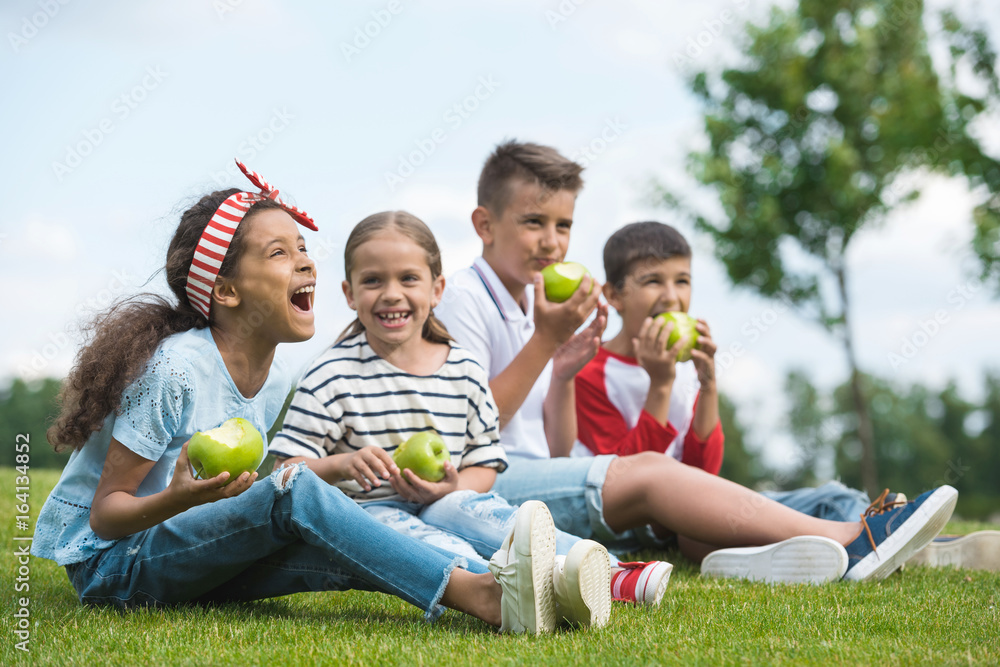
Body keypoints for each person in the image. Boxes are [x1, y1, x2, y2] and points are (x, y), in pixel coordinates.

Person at [31, 161, 564, 634]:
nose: (306, 262)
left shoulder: (278, 373)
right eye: (280, 253)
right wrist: (180, 498)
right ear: (226, 290)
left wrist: (329, 471)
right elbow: (105, 516)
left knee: (341, 535)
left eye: (304, 248)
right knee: (296, 491)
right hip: (114, 567)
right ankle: (482, 597)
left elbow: (241, 500)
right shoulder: (174, 370)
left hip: (183, 551)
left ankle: (529, 587)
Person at [434, 139, 959, 583]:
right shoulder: (465, 298)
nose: (552, 242)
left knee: (798, 493)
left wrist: (562, 370)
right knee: (655, 474)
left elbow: (555, 447)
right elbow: (469, 430)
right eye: (533, 222)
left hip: (535, 471)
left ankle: (876, 535)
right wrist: (547, 346)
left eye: (563, 225)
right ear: (485, 224)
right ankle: (854, 538)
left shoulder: (535, 302)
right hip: (485, 483)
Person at [268, 210, 613, 629]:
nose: (391, 294)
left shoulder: (464, 371)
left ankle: (612, 574)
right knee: (415, 537)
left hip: (446, 499)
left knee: (479, 511)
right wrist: (340, 464)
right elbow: (283, 473)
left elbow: (484, 463)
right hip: (368, 513)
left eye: (408, 279)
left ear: (437, 289)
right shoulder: (330, 375)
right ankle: (514, 589)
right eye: (373, 280)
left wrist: (452, 486)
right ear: (349, 293)